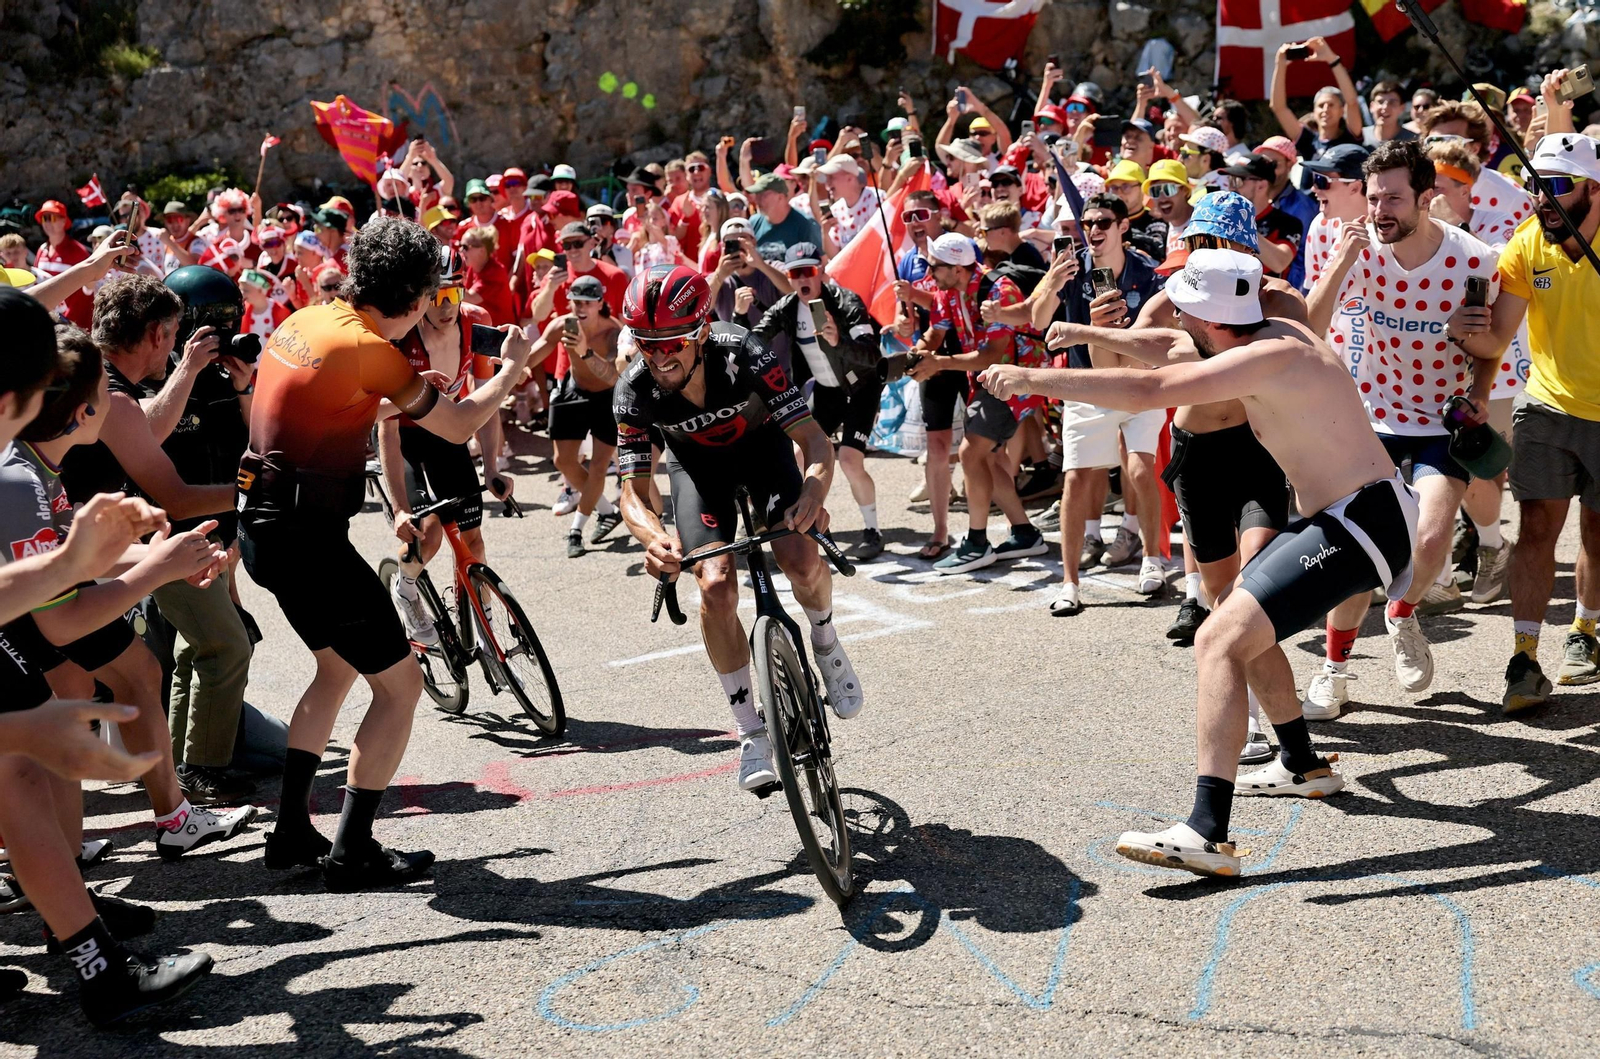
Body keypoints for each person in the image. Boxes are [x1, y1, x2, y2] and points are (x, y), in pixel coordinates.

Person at [981, 249, 1418, 877]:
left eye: (1182, 302)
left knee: (1217, 639)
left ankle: (1207, 831)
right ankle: (1301, 763)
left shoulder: (1270, 355)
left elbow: (1151, 387)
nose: (1173, 310)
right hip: (1354, 515)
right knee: (1239, 616)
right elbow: (1170, 349)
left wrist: (1032, 379)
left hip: (1361, 523)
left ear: (1205, 315)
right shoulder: (1265, 334)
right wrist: (1090, 333)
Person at [237, 218, 537, 889]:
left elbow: (313, 406)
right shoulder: (373, 349)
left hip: (261, 527)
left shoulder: (309, 319)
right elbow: (457, 425)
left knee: (335, 669)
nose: (429, 313)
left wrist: (385, 388)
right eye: (428, 301)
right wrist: (513, 369)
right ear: (407, 299)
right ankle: (352, 851)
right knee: (399, 686)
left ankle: (290, 833)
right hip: (306, 539)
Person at [0, 311, 221, 1024]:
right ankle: (97, 960)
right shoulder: (14, 477)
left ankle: (90, 949)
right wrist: (149, 569)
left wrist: (139, 555)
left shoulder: (22, 470)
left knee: (24, 773)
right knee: (24, 770)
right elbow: (57, 610)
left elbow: (48, 572)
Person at [1041, 194, 1308, 761]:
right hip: (1199, 459)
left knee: (1250, 592)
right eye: (1202, 243)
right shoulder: (1172, 299)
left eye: (1225, 244)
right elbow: (1122, 379)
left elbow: (1305, 372)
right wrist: (1097, 332)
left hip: (1260, 452)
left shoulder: (1280, 299)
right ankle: (1261, 713)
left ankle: (1264, 726)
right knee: (1222, 598)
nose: (1211, 254)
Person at [613, 264, 863, 791]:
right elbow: (633, 493)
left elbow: (816, 443)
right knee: (716, 584)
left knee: (799, 555)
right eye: (647, 343)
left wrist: (815, 494)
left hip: (763, 452)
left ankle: (824, 638)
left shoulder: (747, 353)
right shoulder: (634, 389)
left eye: (673, 342)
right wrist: (653, 536)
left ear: (702, 331)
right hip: (697, 471)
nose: (660, 358)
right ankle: (751, 730)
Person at [1301, 139, 1504, 719]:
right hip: (1375, 416)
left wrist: (1481, 394)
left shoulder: (1473, 260)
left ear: (1426, 197)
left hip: (1443, 422)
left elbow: (1489, 345)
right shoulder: (1359, 249)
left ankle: (1402, 613)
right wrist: (1342, 259)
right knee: (1356, 553)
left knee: (1431, 543)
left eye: (1393, 197)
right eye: (1372, 198)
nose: (1379, 210)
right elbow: (1311, 329)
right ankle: (1334, 673)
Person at [1463, 133, 1600, 712]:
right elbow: (1496, 338)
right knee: (1538, 528)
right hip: (1546, 404)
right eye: (1535, 184)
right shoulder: (1526, 244)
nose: (1542, 196)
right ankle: (1525, 658)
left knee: (1597, 532)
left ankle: (1587, 633)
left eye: (1557, 186)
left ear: (1593, 188)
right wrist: (1468, 340)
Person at [1006, 194, 1168, 609]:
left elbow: (1159, 336)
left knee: (1140, 467)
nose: (1093, 230)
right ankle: (1070, 583)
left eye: (1103, 222)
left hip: (1137, 381)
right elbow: (1039, 321)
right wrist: (1054, 283)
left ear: (1123, 226)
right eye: (1088, 222)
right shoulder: (1070, 267)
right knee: (1075, 478)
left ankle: (1152, 560)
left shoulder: (1148, 273)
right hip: (1087, 385)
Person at [380, 247, 508, 641]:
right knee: (428, 533)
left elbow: (485, 401)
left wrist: (493, 467)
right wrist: (400, 509)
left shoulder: (478, 324)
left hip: (446, 433)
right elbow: (386, 428)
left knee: (473, 539)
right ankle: (405, 588)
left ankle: (483, 616)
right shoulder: (399, 337)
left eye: (453, 295)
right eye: (435, 297)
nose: (445, 306)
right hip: (402, 436)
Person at [907, 233, 1048, 574]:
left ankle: (976, 542)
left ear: (957, 268)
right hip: (989, 381)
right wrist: (918, 353)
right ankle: (1025, 533)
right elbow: (936, 333)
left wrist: (939, 363)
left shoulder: (1000, 291)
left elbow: (992, 354)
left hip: (1016, 379)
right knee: (991, 458)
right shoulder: (946, 291)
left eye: (935, 266)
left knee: (972, 453)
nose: (930, 273)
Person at [752, 243, 886, 560]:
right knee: (798, 453)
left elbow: (871, 355)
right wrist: (741, 319)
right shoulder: (787, 307)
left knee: (850, 460)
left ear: (821, 271)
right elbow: (755, 338)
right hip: (827, 391)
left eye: (808, 271)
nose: (802, 280)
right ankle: (807, 524)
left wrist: (838, 341)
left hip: (861, 388)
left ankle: (872, 530)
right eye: (794, 273)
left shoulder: (846, 301)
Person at [525, 275, 625, 558]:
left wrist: (584, 351)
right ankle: (607, 511)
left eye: (587, 303)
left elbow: (613, 375)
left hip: (608, 396)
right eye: (575, 302)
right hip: (575, 389)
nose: (580, 308)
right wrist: (513, 368)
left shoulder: (613, 332)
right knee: (562, 460)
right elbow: (537, 352)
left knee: (598, 466)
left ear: (600, 304)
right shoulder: (563, 325)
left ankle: (576, 529)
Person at [1268, 36, 1363, 161]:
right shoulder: (1307, 140)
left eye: (1331, 105)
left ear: (1342, 111)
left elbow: (1352, 103)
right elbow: (1278, 108)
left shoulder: (1350, 137)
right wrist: (1280, 65)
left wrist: (1332, 59)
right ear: (1314, 111)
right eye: (1321, 105)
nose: (1325, 110)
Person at [1217, 153, 1303, 281]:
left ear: (1261, 185)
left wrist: (1243, 226)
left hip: (1265, 298)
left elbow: (1280, 263)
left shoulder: (1288, 223)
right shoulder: (1221, 217)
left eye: (1238, 181)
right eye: (1230, 180)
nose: (1231, 188)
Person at [1300, 143, 1371, 292]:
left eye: (1321, 180)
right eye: (1314, 178)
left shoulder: (1386, 226)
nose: (1314, 188)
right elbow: (1315, 291)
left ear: (1355, 188)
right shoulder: (1321, 226)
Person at [707, 221, 790, 327]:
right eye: (730, 242)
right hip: (737, 342)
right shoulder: (718, 278)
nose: (737, 247)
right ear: (723, 246)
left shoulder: (772, 267)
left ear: (753, 242)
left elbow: (793, 290)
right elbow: (703, 308)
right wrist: (719, 275)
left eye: (742, 239)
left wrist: (760, 264)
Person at [33, 199, 94, 328]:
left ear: (63, 221)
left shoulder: (78, 252)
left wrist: (68, 322)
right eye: (44, 218)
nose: (48, 223)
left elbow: (86, 294)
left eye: (52, 218)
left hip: (71, 325)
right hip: (46, 322)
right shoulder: (41, 250)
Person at [747, 173, 822, 255]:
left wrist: (763, 266)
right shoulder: (754, 222)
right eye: (757, 194)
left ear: (780, 197)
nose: (758, 200)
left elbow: (821, 263)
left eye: (763, 195)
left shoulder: (805, 225)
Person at [459, 226, 518, 327]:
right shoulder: (472, 267)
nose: (460, 250)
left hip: (499, 333)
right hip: (484, 329)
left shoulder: (495, 272)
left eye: (465, 247)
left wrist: (447, 283)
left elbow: (471, 298)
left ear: (482, 250)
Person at [1366, 80, 1418, 147]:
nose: (1385, 107)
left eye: (1392, 103)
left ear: (1402, 108)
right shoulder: (1361, 137)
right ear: (1371, 106)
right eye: (1380, 102)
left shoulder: (1412, 142)